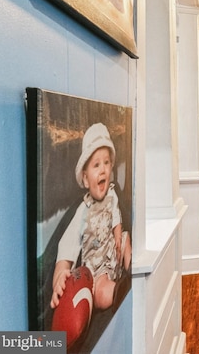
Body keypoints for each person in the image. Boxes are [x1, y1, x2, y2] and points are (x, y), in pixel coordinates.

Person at [50, 123, 131, 311]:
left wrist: (119, 234)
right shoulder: (83, 211)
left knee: (127, 240)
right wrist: (60, 278)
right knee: (100, 293)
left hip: (114, 254)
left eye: (106, 163)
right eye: (96, 165)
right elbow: (66, 248)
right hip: (98, 269)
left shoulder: (112, 194)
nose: (103, 169)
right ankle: (117, 291)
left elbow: (117, 214)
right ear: (86, 179)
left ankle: (131, 270)